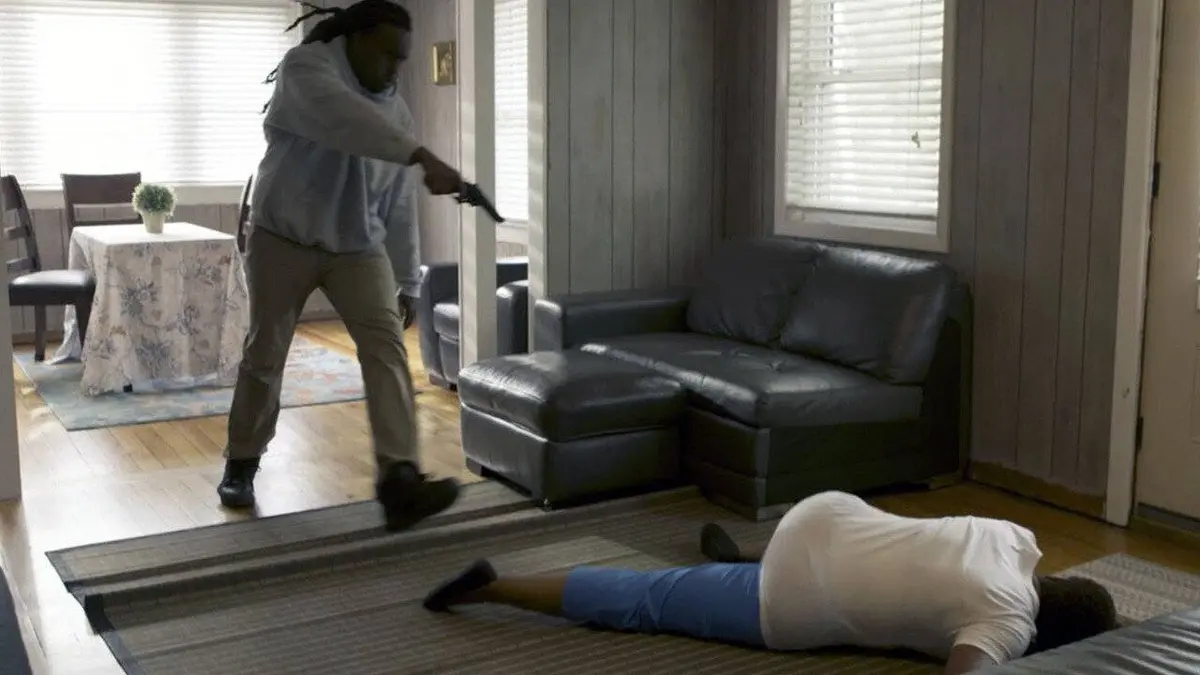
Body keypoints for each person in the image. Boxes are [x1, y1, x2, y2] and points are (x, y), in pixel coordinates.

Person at [217, 0, 462, 531]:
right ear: (355, 39)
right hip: (283, 236)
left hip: (356, 247)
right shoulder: (305, 70)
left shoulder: (398, 117)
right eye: (387, 55)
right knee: (265, 351)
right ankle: (241, 462)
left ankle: (399, 478)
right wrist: (421, 154)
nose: (395, 69)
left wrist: (407, 281)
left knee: (388, 350)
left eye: (402, 59)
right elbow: (346, 122)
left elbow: (399, 205)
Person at [423, 491, 1118, 674]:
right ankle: (494, 586)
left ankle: (748, 555)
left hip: (828, 513)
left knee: (865, 550)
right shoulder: (1007, 626)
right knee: (645, 597)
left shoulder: (1013, 537)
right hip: (793, 599)